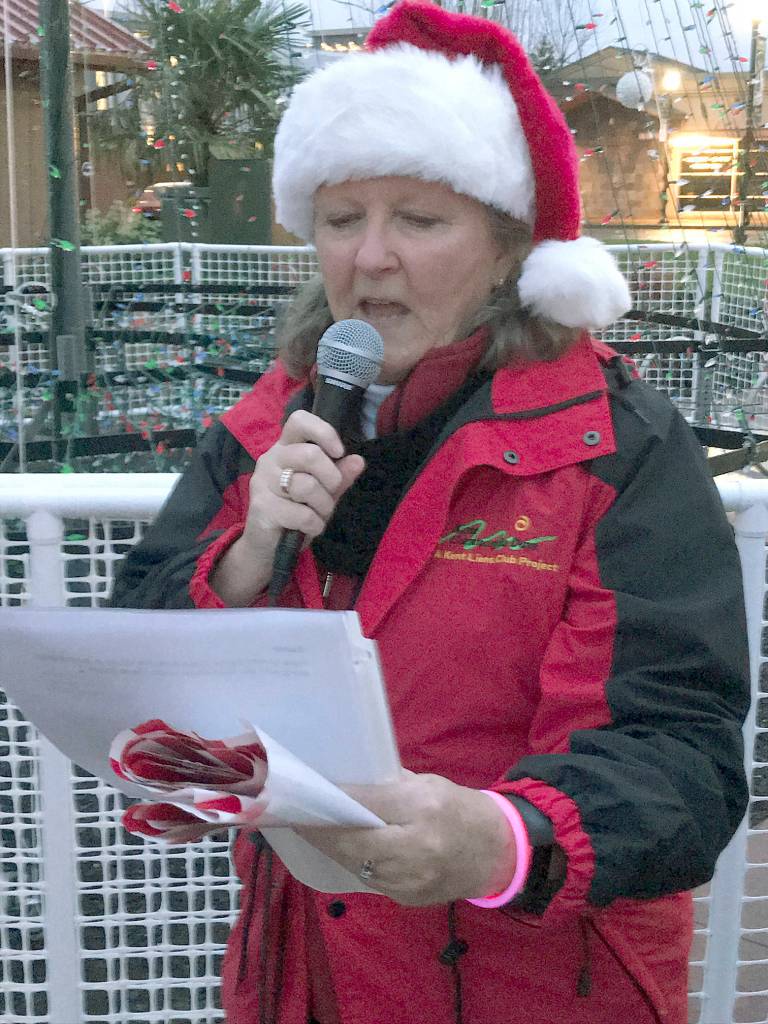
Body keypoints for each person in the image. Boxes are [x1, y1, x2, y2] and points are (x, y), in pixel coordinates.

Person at [109, 3, 750, 1022]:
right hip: (306, 976)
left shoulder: (614, 445)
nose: (370, 258)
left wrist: (500, 839)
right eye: (341, 217)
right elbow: (132, 662)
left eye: (419, 218)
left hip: (534, 983)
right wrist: (244, 556)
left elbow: (681, 755)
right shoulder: (264, 429)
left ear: (507, 250)